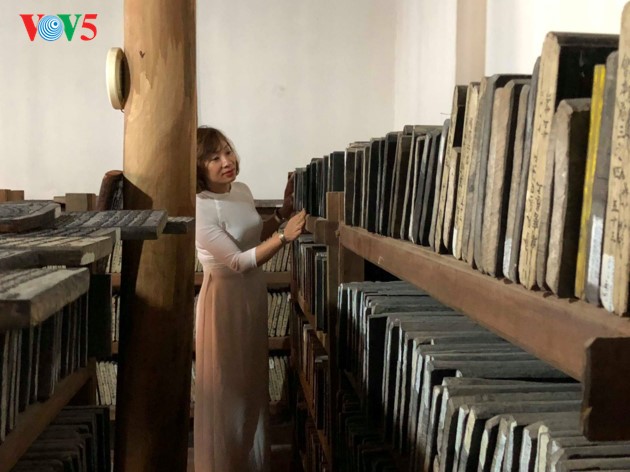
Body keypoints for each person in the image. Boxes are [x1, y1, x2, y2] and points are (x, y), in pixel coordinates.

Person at [194, 126, 305, 472]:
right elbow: (238, 261)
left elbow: (252, 236)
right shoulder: (199, 206)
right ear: (198, 166)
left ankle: (253, 463)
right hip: (223, 302)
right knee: (228, 392)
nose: (226, 161)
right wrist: (284, 238)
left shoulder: (240, 190)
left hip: (252, 296)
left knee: (253, 384)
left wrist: (282, 215)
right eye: (214, 158)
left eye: (228, 151)